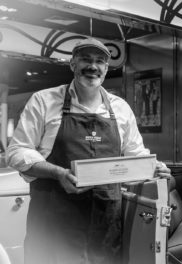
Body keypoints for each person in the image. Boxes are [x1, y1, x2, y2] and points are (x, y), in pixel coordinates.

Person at [7, 38, 171, 264]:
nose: (92, 66)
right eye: (86, 59)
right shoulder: (44, 101)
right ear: (73, 64)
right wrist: (58, 173)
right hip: (53, 222)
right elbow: (17, 151)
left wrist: (154, 168)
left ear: (106, 69)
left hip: (104, 224)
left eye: (100, 61)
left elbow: (135, 155)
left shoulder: (120, 108)